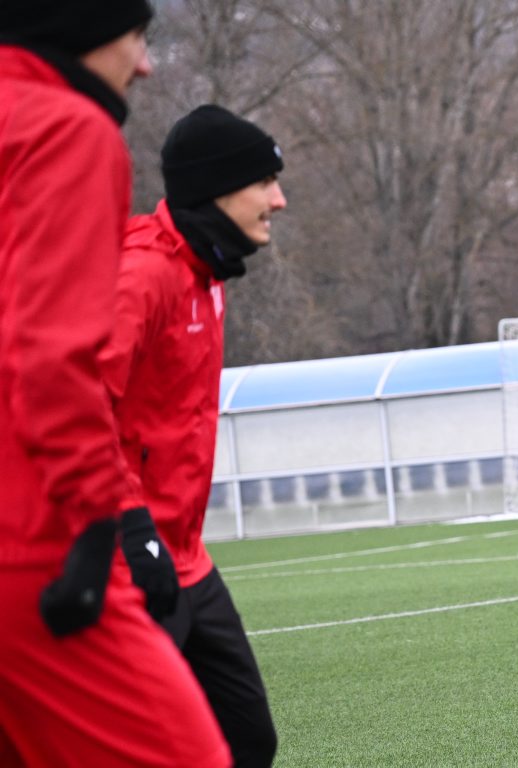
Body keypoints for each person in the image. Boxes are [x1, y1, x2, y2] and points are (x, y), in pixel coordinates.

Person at [0, 3, 232, 766]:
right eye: (135, 37)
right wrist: (105, 526)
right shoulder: (65, 129)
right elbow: (49, 359)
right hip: (32, 535)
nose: (145, 65)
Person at [99, 104, 287, 767]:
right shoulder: (141, 275)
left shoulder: (207, 275)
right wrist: (130, 527)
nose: (279, 199)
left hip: (186, 559)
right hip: (124, 561)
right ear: (218, 188)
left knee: (247, 739)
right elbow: (80, 407)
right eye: (265, 182)